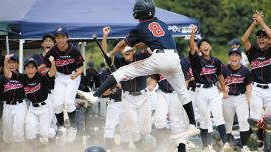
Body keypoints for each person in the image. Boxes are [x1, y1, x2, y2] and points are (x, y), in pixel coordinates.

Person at [81, 0, 198, 141]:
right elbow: (146, 41)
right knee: (183, 94)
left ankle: (95, 95)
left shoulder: (141, 27)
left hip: (159, 58)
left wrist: (112, 53)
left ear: (137, 13)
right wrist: (138, 45)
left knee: (121, 72)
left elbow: (124, 43)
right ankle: (192, 124)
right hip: (174, 58)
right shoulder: (161, 23)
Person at [100, 26, 152, 151]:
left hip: (144, 96)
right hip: (128, 97)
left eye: (128, 48)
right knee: (133, 127)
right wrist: (105, 36)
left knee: (146, 129)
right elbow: (106, 55)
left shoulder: (141, 57)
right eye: (123, 48)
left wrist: (138, 41)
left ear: (133, 50)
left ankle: (145, 144)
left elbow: (150, 46)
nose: (126, 50)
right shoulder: (118, 61)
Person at [242, 11, 271, 152]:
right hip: (257, 88)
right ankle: (260, 138)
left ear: (268, 40)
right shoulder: (253, 52)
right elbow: (244, 39)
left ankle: (268, 151)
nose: (261, 39)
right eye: (259, 37)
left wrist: (262, 22)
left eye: (264, 37)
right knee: (253, 120)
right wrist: (254, 23)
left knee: (270, 121)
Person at [188, 25, 230, 152]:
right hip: (200, 91)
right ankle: (206, 147)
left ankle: (226, 144)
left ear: (210, 47)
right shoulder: (196, 60)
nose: (205, 46)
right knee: (204, 118)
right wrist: (192, 35)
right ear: (199, 49)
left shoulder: (216, 61)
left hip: (213, 90)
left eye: (207, 44)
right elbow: (191, 47)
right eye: (202, 45)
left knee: (218, 116)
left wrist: (224, 90)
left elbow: (220, 76)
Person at [43, 27, 84, 143]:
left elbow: (81, 66)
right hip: (60, 77)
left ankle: (73, 127)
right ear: (55, 39)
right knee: (57, 104)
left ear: (67, 38)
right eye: (57, 37)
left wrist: (77, 74)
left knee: (69, 102)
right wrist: (51, 64)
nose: (60, 40)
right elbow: (49, 70)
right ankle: (61, 126)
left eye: (62, 37)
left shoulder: (74, 50)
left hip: (73, 76)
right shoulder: (52, 51)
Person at [5, 57, 56, 143]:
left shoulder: (41, 77)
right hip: (32, 108)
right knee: (29, 132)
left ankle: (56, 133)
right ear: (25, 69)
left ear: (36, 69)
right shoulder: (23, 77)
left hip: (45, 107)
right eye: (28, 67)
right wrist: (6, 61)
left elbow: (52, 72)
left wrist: (53, 63)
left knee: (44, 133)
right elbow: (7, 74)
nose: (30, 69)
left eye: (32, 67)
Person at [222, 48, 252, 152]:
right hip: (227, 98)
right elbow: (218, 83)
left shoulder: (245, 71)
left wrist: (249, 100)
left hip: (241, 97)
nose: (234, 58)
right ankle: (226, 147)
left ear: (240, 57)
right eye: (232, 55)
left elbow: (248, 86)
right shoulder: (224, 69)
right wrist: (222, 87)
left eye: (236, 55)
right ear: (229, 57)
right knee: (227, 123)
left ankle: (245, 147)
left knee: (244, 121)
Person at [0, 54, 26, 143]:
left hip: (20, 106)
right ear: (5, 65)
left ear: (18, 64)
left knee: (17, 131)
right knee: (7, 133)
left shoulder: (22, 77)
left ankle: (22, 151)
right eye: (9, 62)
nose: (11, 65)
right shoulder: (2, 77)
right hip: (7, 106)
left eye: (13, 62)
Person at [33, 33, 57, 132]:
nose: (48, 43)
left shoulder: (58, 57)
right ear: (42, 44)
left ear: (54, 44)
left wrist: (52, 61)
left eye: (50, 41)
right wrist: (44, 62)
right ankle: (41, 142)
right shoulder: (36, 58)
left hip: (53, 91)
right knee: (40, 120)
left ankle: (53, 140)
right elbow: (31, 72)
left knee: (53, 119)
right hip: (40, 92)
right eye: (46, 41)